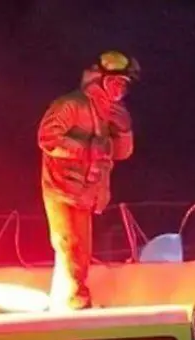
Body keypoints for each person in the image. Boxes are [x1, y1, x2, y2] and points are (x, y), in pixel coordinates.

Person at [37, 51, 140, 310]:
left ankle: (65, 301)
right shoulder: (71, 105)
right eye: (114, 83)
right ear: (99, 80)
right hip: (62, 188)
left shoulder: (109, 113)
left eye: (123, 86)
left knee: (80, 251)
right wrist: (87, 148)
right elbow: (47, 139)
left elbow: (121, 153)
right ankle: (75, 301)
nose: (118, 91)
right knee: (69, 244)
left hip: (87, 192)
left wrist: (124, 131)